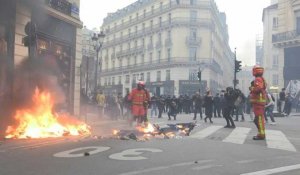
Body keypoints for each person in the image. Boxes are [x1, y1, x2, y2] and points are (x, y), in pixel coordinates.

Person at [249, 65, 267, 140]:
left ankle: (261, 134)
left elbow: (258, 88)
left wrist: (252, 88)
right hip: (259, 102)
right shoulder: (262, 79)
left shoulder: (257, 79)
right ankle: (260, 133)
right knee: (257, 119)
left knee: (259, 119)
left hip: (258, 103)